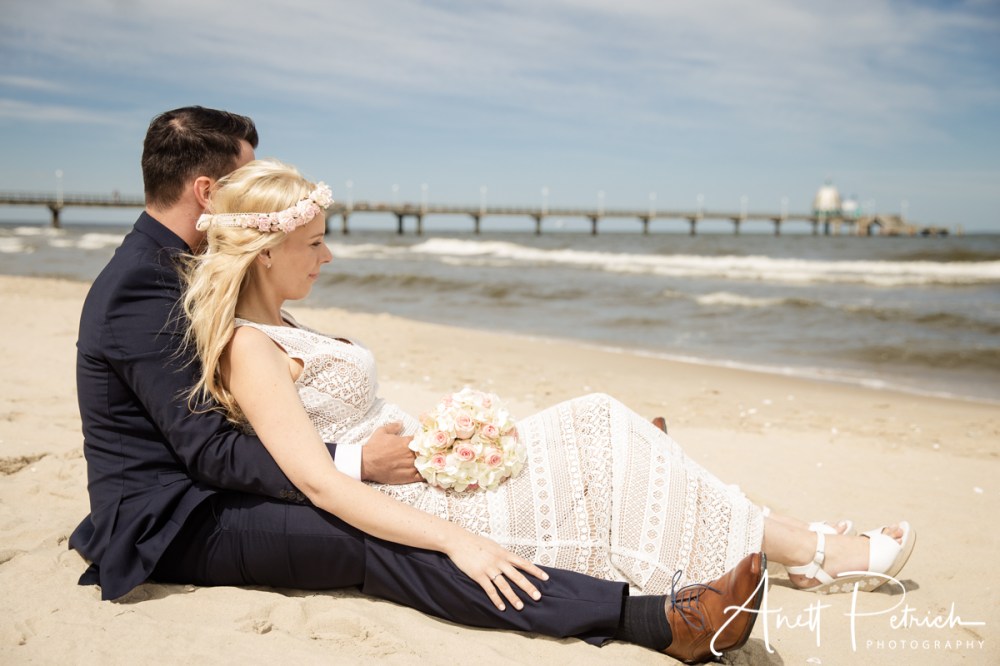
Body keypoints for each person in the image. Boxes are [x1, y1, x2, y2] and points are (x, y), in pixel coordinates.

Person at [69, 106, 765, 665]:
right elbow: (206, 451)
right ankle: (647, 618)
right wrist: (352, 464)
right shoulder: (143, 287)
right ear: (207, 194)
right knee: (373, 538)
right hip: (175, 515)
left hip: (228, 480)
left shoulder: (196, 272)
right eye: (245, 179)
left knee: (415, 509)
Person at [180, 159, 916, 616]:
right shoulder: (251, 347)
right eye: (314, 244)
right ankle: (813, 548)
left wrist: (450, 437)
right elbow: (323, 486)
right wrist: (458, 543)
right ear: (267, 252)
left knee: (612, 437)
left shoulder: (285, 322)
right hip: (419, 503)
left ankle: (798, 543)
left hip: (433, 472)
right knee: (600, 426)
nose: (329, 256)